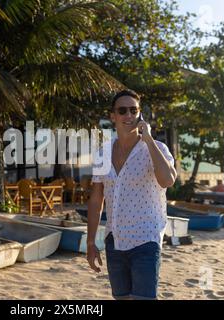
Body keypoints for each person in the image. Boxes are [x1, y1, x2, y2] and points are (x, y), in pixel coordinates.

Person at [86, 89, 177, 300]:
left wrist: (149, 140)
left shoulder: (158, 149)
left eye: (134, 110)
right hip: (114, 241)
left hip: (146, 240)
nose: (129, 115)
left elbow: (167, 180)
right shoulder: (103, 153)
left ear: (140, 114)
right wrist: (91, 242)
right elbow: (96, 200)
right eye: (122, 110)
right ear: (113, 116)